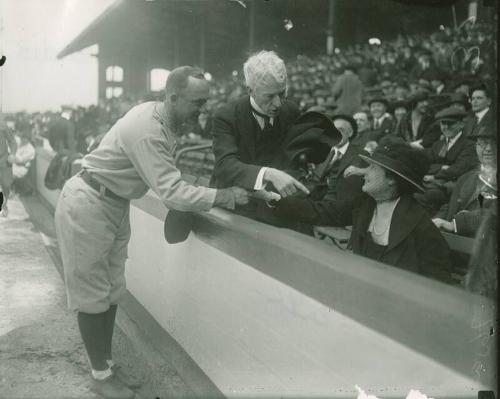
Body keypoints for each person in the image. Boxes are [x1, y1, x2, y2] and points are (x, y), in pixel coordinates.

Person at [54, 66, 249, 399]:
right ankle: (99, 375)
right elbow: (172, 192)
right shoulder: (149, 128)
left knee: (113, 289)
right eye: (196, 102)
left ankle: (108, 365)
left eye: (204, 101)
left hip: (112, 203)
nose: (202, 109)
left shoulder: (162, 117)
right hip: (89, 202)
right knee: (92, 295)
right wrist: (225, 195)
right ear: (173, 97)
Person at [272, 136, 453, 283]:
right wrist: (272, 200)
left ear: (392, 179)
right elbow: (322, 211)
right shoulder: (366, 204)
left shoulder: (419, 223)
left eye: (372, 167)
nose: (364, 172)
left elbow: (438, 280)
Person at [211, 50, 309, 217]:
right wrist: (269, 174)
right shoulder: (225, 115)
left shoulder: (291, 111)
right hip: (236, 201)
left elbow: (295, 158)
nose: (278, 103)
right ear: (250, 90)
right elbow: (225, 165)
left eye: (282, 93)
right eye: (270, 96)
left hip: (275, 203)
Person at [432, 125, 496, 237]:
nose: (489, 148)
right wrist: (433, 222)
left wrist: (455, 224)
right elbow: (450, 207)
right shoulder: (465, 178)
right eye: (483, 143)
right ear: (476, 146)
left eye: (495, 143)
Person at [415, 107, 478, 214]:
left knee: (421, 197)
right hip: (433, 183)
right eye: (443, 124)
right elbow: (424, 163)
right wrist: (440, 167)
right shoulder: (438, 144)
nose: (446, 127)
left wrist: (434, 176)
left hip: (453, 187)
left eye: (451, 123)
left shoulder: (469, 145)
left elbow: (458, 169)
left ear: (461, 125)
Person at [317, 115, 369, 201]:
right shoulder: (323, 152)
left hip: (343, 204)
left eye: (341, 130)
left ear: (350, 133)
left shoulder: (361, 155)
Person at [0, 115, 17, 217]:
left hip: (4, 160)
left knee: (6, 185)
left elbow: (12, 142)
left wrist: (13, 154)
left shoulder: (2, 126)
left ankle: (4, 205)